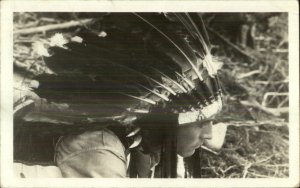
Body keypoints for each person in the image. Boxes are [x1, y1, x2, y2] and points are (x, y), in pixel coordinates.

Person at [13, 12, 227, 178]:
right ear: (167, 121)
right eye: (201, 123)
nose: (209, 134)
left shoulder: (144, 138)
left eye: (211, 122)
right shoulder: (100, 151)